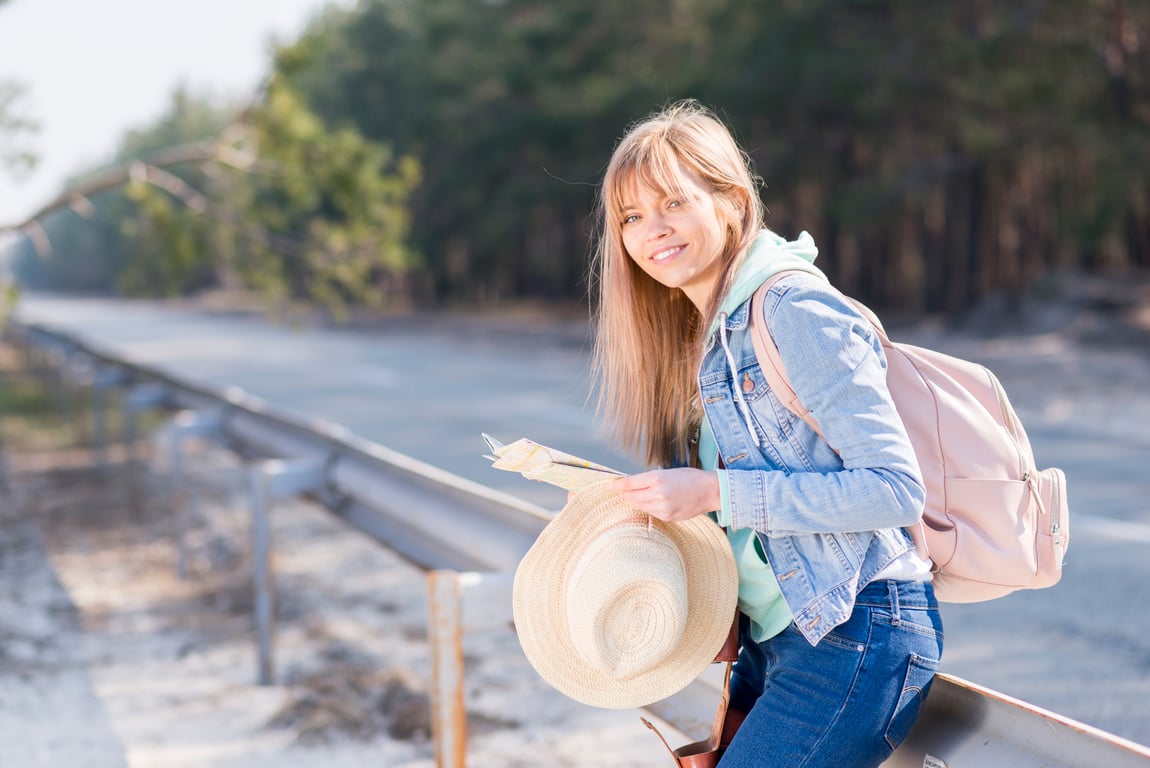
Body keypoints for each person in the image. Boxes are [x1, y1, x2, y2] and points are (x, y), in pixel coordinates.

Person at [589, 99, 944, 767]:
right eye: (631, 217)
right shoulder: (704, 336)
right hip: (774, 639)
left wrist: (716, 493)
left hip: (854, 632)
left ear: (730, 200)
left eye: (673, 203)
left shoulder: (792, 309)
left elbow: (895, 489)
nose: (652, 230)